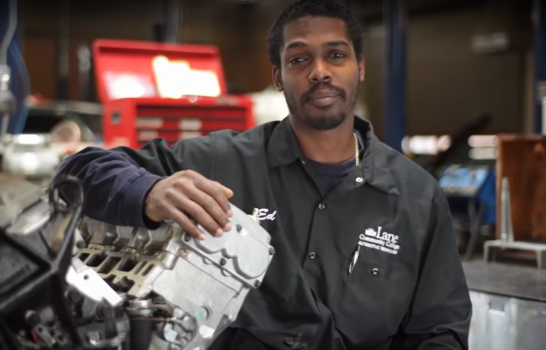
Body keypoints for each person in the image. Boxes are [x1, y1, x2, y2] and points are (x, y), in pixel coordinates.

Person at [55, 1, 472, 349]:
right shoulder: (220, 160)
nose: (320, 71)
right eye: (299, 59)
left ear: (360, 67)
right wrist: (148, 190)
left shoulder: (417, 197)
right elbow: (76, 172)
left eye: (336, 55)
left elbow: (440, 331)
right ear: (278, 76)